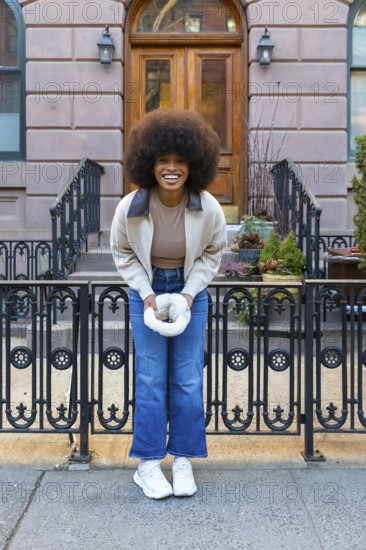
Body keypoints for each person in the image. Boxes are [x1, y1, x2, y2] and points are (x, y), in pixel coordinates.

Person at [110, 108, 227, 499]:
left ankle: (183, 458)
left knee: (189, 377)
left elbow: (212, 253)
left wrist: (189, 293)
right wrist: (146, 294)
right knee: (150, 377)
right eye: (164, 160)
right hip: (147, 288)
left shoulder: (208, 207)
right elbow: (123, 252)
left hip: (188, 290)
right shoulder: (130, 207)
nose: (172, 168)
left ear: (194, 165)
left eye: (180, 161)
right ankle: (147, 463)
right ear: (150, 163)